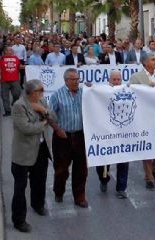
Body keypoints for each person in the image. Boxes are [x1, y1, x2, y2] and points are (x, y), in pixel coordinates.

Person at [10, 79, 57, 233]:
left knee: (40, 180)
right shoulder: (19, 105)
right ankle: (19, 220)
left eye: (42, 91)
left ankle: (38, 205)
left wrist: (44, 111)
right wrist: (43, 124)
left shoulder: (42, 101)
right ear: (30, 93)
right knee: (20, 187)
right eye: (38, 92)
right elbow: (26, 128)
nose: (41, 94)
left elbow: (54, 118)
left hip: (41, 149)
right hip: (23, 153)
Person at [49, 68, 89, 208]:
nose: (76, 82)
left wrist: (92, 88)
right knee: (61, 169)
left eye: (78, 79)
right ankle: (58, 191)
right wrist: (57, 129)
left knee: (81, 169)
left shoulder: (84, 93)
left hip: (80, 135)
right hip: (62, 137)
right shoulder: (57, 95)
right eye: (73, 79)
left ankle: (79, 196)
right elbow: (50, 116)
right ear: (66, 81)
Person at [130, 53, 155, 189]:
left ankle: (154, 168)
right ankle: (148, 176)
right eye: (153, 59)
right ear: (145, 63)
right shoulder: (136, 77)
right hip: (144, 117)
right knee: (147, 147)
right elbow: (133, 95)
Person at [95, 70, 130, 198]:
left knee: (123, 161)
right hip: (106, 133)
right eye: (114, 79)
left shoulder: (127, 90)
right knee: (103, 163)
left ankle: (121, 188)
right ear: (109, 80)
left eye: (118, 79)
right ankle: (103, 179)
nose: (116, 82)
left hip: (122, 135)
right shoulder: (103, 91)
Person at [0, 47, 22, 117]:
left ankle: (14, 101)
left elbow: (19, 67)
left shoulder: (16, 58)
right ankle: (7, 111)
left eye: (11, 50)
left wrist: (31, 67)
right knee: (5, 96)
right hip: (4, 80)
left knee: (17, 93)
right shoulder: (1, 59)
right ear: (5, 51)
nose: (10, 51)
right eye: (8, 50)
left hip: (15, 80)